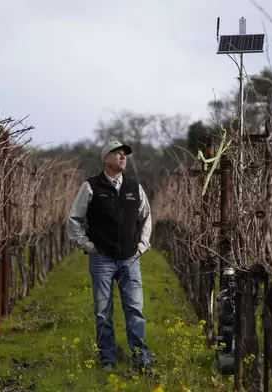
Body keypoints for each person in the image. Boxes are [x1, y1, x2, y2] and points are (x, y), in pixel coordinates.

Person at [66, 140, 153, 373]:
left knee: (135, 309)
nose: (122, 156)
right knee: (103, 311)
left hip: (130, 258)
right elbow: (73, 220)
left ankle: (141, 357)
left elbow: (146, 218)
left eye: (124, 153)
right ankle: (108, 358)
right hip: (101, 258)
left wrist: (142, 245)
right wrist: (88, 246)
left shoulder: (135, 188)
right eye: (116, 153)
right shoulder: (91, 186)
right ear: (105, 159)